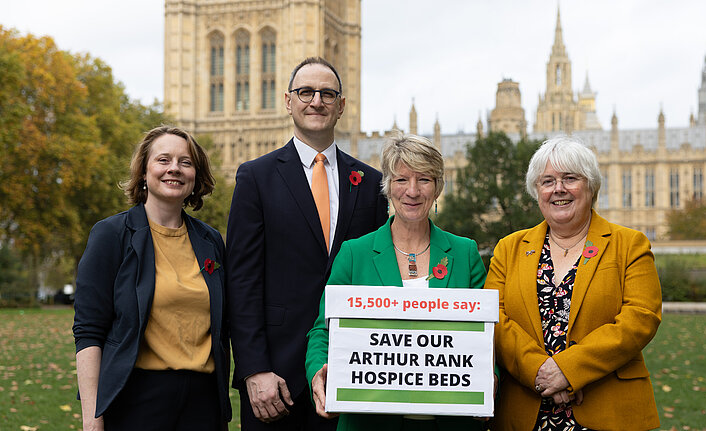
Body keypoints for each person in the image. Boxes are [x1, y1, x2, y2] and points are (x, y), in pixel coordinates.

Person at [226, 57, 389, 431]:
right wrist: (254, 369)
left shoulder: (370, 182)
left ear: (341, 105)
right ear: (288, 101)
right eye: (306, 92)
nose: (316, 101)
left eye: (327, 93)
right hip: (275, 380)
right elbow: (242, 280)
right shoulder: (256, 177)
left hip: (351, 370)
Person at [305, 133, 488, 431]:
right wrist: (317, 372)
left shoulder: (465, 253)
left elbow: (486, 335)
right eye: (401, 180)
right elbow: (322, 330)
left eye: (424, 180)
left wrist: (487, 379)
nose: (412, 191)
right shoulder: (354, 253)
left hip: (450, 421)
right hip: (369, 421)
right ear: (388, 186)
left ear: (438, 187)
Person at [485, 136, 662, 431]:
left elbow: (640, 318)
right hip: (525, 413)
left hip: (608, 412)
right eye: (547, 181)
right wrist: (541, 372)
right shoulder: (509, 248)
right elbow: (494, 319)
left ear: (591, 186)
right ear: (536, 191)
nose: (559, 189)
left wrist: (569, 370)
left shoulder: (629, 244)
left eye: (570, 178)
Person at [73, 125, 231, 430]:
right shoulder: (111, 235)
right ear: (143, 172)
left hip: (204, 404)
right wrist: (92, 420)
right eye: (163, 160)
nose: (175, 168)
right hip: (137, 400)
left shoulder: (210, 241)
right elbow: (89, 331)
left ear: (196, 176)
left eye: (186, 162)